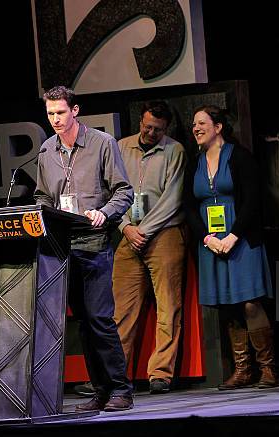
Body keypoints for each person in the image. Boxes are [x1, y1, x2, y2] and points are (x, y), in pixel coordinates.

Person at [34, 86, 135, 411]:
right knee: (83, 322)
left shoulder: (101, 144)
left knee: (100, 318)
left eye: (60, 112)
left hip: (95, 243)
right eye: (50, 114)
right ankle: (101, 391)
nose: (55, 120)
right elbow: (42, 198)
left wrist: (103, 213)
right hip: (63, 248)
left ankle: (121, 389)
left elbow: (123, 191)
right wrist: (42, 213)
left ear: (75, 111)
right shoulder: (47, 150)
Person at [185, 105, 276, 390]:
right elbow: (188, 207)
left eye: (202, 123)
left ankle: (268, 369)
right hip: (211, 243)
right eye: (194, 124)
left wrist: (233, 236)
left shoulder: (240, 157)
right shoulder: (194, 163)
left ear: (218, 127)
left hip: (241, 239)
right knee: (228, 305)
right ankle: (243, 370)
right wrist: (207, 238)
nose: (196, 128)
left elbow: (252, 201)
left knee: (249, 303)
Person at [112, 101, 187, 394]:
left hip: (164, 231)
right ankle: (115, 375)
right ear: (140, 121)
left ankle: (161, 373)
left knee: (168, 306)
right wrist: (126, 227)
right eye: (147, 126)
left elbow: (173, 198)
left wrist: (143, 230)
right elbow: (111, 190)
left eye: (157, 129)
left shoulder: (175, 151)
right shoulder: (121, 147)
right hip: (128, 232)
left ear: (166, 128)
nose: (150, 132)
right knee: (121, 310)